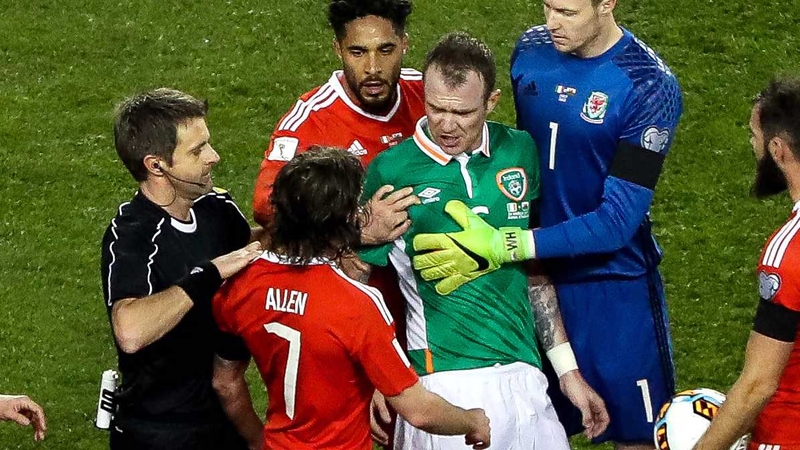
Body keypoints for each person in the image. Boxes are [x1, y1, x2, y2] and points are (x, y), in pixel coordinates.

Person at [413, 1, 683, 447]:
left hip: (613, 291)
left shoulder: (648, 85)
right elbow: (519, 160)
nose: (553, 22)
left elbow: (617, 222)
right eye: (548, 7)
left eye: (569, 11)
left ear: (607, 4)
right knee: (524, 431)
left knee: (637, 436)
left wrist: (508, 244)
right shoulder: (531, 50)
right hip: (532, 285)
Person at [357, 32, 608, 450]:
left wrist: (567, 372)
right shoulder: (391, 170)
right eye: (436, 108)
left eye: (462, 113)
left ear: (490, 103)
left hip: (525, 377)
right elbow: (358, 282)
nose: (447, 124)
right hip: (442, 385)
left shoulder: (519, 151)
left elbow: (532, 267)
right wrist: (386, 376)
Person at [211, 146, 491, 450]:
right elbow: (418, 410)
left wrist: (258, 441)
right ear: (345, 221)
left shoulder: (241, 285)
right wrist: (472, 421)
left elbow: (225, 384)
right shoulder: (357, 304)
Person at [100, 88, 262, 450]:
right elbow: (130, 330)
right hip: (158, 434)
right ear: (156, 165)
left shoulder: (215, 208)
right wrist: (208, 275)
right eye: (197, 150)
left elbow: (254, 248)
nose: (214, 157)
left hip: (223, 419)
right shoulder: (133, 234)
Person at [252, 0, 422, 243]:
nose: (372, 68)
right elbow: (266, 205)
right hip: (354, 267)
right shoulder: (310, 120)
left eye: (385, 50)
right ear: (338, 49)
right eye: (358, 52)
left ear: (404, 44)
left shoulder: (428, 93)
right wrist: (355, 229)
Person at [694, 78, 800, 450]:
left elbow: (758, 385)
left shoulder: (788, 253)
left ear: (777, 149)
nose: (753, 147)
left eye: (755, 137)